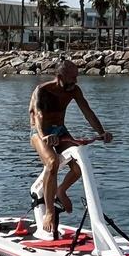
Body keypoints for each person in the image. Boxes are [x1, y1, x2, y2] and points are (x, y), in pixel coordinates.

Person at [29, 60, 112, 234]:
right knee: (52, 163)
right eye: (72, 77)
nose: (76, 81)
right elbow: (38, 116)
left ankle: (61, 190)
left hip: (60, 131)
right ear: (60, 77)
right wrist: (45, 136)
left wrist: (102, 132)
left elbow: (87, 110)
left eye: (77, 77)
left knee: (78, 166)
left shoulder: (73, 90)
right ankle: (49, 212)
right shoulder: (42, 90)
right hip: (39, 132)